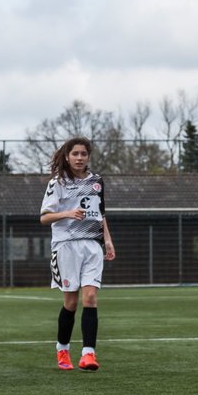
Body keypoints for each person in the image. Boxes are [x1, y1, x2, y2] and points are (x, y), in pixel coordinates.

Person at [39, 137, 116, 370]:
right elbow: (44, 217)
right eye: (75, 154)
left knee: (90, 298)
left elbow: (100, 214)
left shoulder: (96, 181)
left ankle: (88, 354)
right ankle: (63, 350)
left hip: (92, 245)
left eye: (84, 154)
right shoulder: (58, 183)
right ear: (67, 156)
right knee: (71, 302)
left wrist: (108, 240)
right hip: (66, 245)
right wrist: (68, 214)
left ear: (88, 156)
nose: (80, 158)